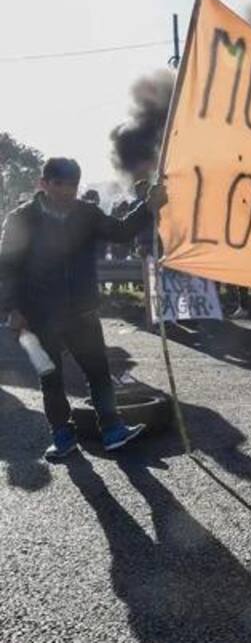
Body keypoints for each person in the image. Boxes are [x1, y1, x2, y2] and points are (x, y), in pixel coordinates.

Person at [0, 158, 167, 460]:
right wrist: (11, 308)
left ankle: (112, 429)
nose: (67, 191)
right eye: (59, 184)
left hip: (82, 311)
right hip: (39, 315)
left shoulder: (86, 213)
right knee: (51, 378)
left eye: (73, 185)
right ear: (43, 183)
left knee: (99, 373)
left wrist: (148, 207)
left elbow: (120, 231)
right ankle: (62, 437)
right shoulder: (21, 219)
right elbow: (7, 267)